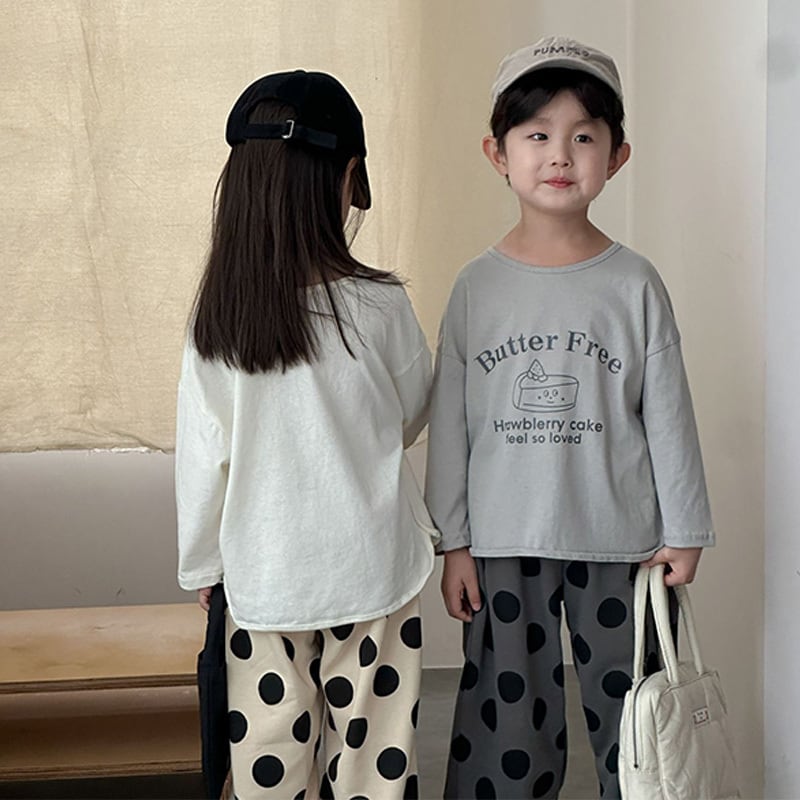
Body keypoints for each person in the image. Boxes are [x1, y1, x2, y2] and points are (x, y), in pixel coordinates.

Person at [424, 36, 715, 799]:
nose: (560, 154)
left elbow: (669, 414)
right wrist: (453, 541)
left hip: (622, 541)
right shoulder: (476, 288)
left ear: (617, 156)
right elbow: (450, 426)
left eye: (584, 136)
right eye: (537, 135)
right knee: (507, 725)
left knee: (641, 724)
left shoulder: (634, 284)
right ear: (498, 153)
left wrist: (685, 528)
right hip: (502, 541)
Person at [175, 69, 435, 800]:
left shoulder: (218, 319)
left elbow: (203, 460)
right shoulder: (380, 306)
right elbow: (413, 411)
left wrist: (202, 567)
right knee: (373, 761)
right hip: (375, 573)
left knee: (268, 755)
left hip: (264, 578)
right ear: (346, 179)